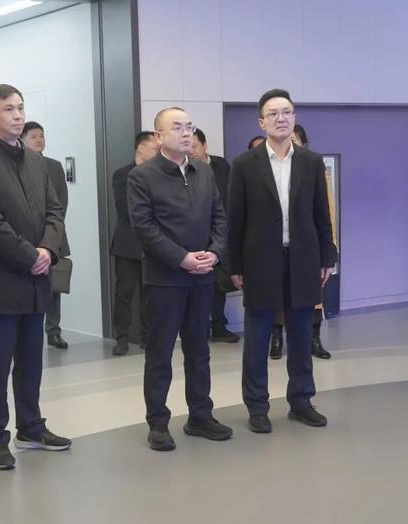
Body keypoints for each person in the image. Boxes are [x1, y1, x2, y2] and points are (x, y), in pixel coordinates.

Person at [0, 84, 71, 471]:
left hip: (36, 278)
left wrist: (48, 250)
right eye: (9, 109)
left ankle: (31, 427)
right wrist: (29, 256)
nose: (18, 115)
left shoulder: (37, 161)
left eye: (21, 107)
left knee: (31, 360)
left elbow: (55, 211)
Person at [227, 89, 337, 434]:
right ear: (261, 122)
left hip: (303, 260)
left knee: (301, 336)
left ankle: (301, 402)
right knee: (258, 338)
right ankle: (257, 407)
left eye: (286, 112)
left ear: (294, 118)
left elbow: (321, 214)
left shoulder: (311, 161)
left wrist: (327, 256)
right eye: (273, 113)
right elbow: (236, 219)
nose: (281, 118)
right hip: (260, 262)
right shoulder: (244, 164)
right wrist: (235, 265)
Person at [128, 107, 233, 451]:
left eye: (189, 127)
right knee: (160, 354)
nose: (186, 133)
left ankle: (200, 416)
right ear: (158, 136)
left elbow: (220, 216)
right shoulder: (142, 176)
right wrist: (182, 258)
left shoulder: (204, 171)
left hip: (202, 277)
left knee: (199, 351)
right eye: (177, 128)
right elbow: (144, 228)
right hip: (165, 280)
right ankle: (158, 422)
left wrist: (214, 253)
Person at [270, 124, 332, 360]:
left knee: (313, 299)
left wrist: (329, 251)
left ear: (303, 144)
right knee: (278, 296)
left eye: (295, 140)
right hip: (277, 247)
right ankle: (277, 338)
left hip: (308, 248)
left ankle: (313, 339)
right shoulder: (269, 169)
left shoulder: (314, 167)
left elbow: (326, 214)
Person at [21, 121, 70, 350]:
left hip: (52, 236)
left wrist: (50, 235)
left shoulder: (54, 166)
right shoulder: (17, 165)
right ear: (22, 140)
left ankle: (53, 330)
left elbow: (61, 203)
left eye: (42, 135)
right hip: (25, 238)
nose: (39, 140)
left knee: (54, 286)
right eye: (33, 136)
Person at [110, 131, 159, 355]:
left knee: (149, 294)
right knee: (124, 292)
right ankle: (121, 336)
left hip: (153, 245)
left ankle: (147, 337)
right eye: (155, 148)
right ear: (141, 147)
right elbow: (127, 208)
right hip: (128, 243)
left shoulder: (159, 174)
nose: (158, 153)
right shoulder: (122, 175)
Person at [191, 128, 239, 344]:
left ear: (204, 146)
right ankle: (201, 329)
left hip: (222, 232)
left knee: (221, 284)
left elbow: (231, 196)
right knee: (202, 283)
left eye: (194, 146)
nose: (191, 151)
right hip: (198, 234)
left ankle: (219, 326)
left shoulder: (221, 166)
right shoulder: (185, 168)